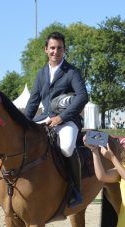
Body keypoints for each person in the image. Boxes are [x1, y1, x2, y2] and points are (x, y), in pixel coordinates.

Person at [25, 31, 88, 207]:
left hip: (68, 119)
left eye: (59, 48)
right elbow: (33, 102)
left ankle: (76, 188)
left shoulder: (72, 72)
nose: (55, 51)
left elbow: (82, 97)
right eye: (52, 48)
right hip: (45, 117)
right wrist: (23, 124)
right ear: (46, 49)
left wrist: (62, 117)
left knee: (67, 147)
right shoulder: (41, 73)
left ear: (64, 50)